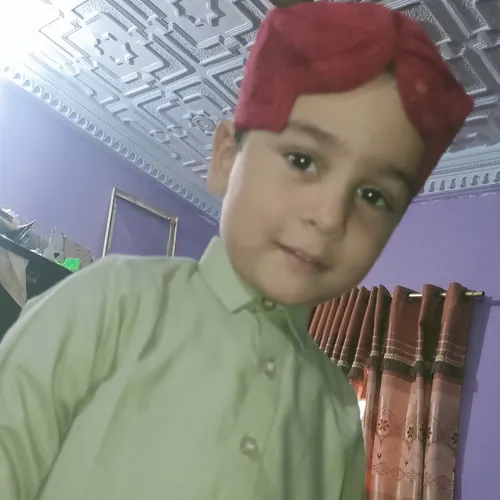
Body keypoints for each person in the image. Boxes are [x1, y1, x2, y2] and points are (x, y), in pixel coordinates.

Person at [0, 2, 472, 500]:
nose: (331, 217)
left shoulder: (336, 411)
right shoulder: (112, 299)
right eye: (303, 160)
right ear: (226, 157)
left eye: (373, 196)